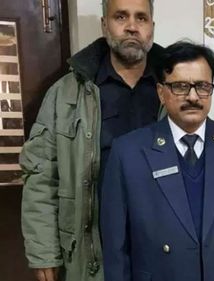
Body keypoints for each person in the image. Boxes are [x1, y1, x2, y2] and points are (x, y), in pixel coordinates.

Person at [100, 40, 214, 281]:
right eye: (180, 86)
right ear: (161, 92)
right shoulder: (128, 152)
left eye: (202, 86)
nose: (193, 96)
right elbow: (116, 249)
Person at [19, 0, 161, 280]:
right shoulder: (66, 93)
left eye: (141, 18)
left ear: (152, 28)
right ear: (104, 24)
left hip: (160, 253)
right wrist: (43, 251)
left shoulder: (176, 89)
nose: (132, 26)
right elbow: (41, 177)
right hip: (93, 256)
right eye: (121, 16)